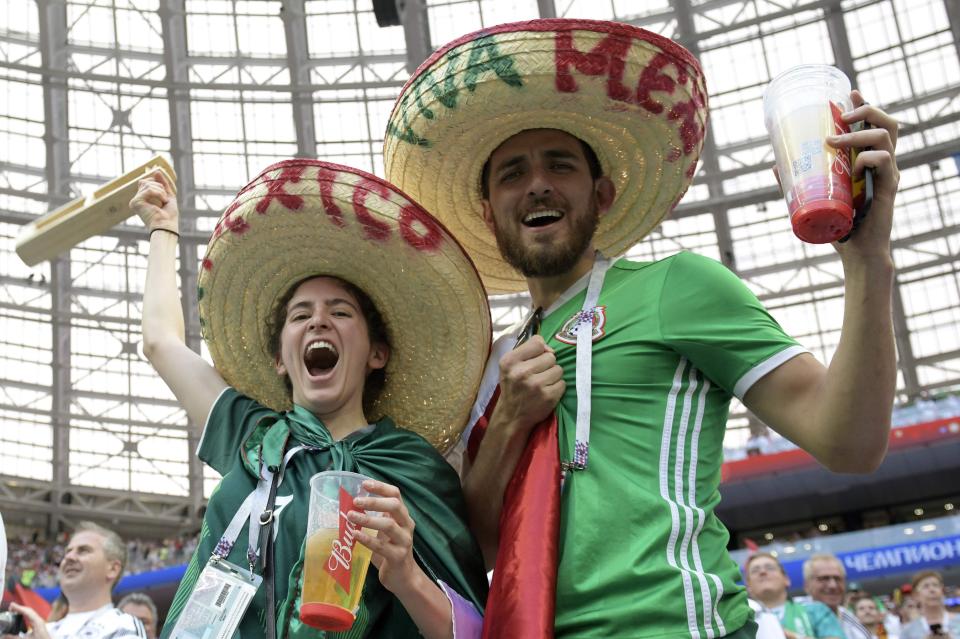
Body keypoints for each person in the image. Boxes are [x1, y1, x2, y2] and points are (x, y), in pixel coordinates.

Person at [384, 17, 900, 638]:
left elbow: (851, 444)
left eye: (560, 165)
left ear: (601, 194)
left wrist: (867, 259)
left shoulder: (678, 287)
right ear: (488, 213)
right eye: (512, 173)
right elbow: (483, 549)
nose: (538, 182)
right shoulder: (493, 364)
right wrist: (510, 422)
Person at [131, 160, 490, 638]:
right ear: (281, 358)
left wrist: (405, 575)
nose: (318, 321)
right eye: (300, 316)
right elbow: (160, 342)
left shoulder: (416, 469)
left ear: (376, 352)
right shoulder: (254, 435)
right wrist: (162, 230)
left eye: (339, 312)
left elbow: (471, 632)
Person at [6, 522, 146, 638]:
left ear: (113, 569)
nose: (69, 557)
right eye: (67, 551)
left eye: (83, 550)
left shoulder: (122, 625)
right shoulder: (45, 631)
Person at [744, 553, 843, 639]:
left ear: (786, 579)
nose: (762, 572)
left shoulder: (815, 610)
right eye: (755, 570)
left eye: (770, 568)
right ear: (748, 586)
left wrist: (792, 636)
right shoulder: (742, 620)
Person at [804, 553, 871, 639]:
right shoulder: (795, 617)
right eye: (824, 578)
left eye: (838, 579)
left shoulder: (852, 621)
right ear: (807, 585)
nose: (833, 585)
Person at [901, 571, 960, 638]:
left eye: (935, 585)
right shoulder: (909, 631)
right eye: (925, 586)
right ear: (916, 595)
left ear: (942, 591)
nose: (932, 590)